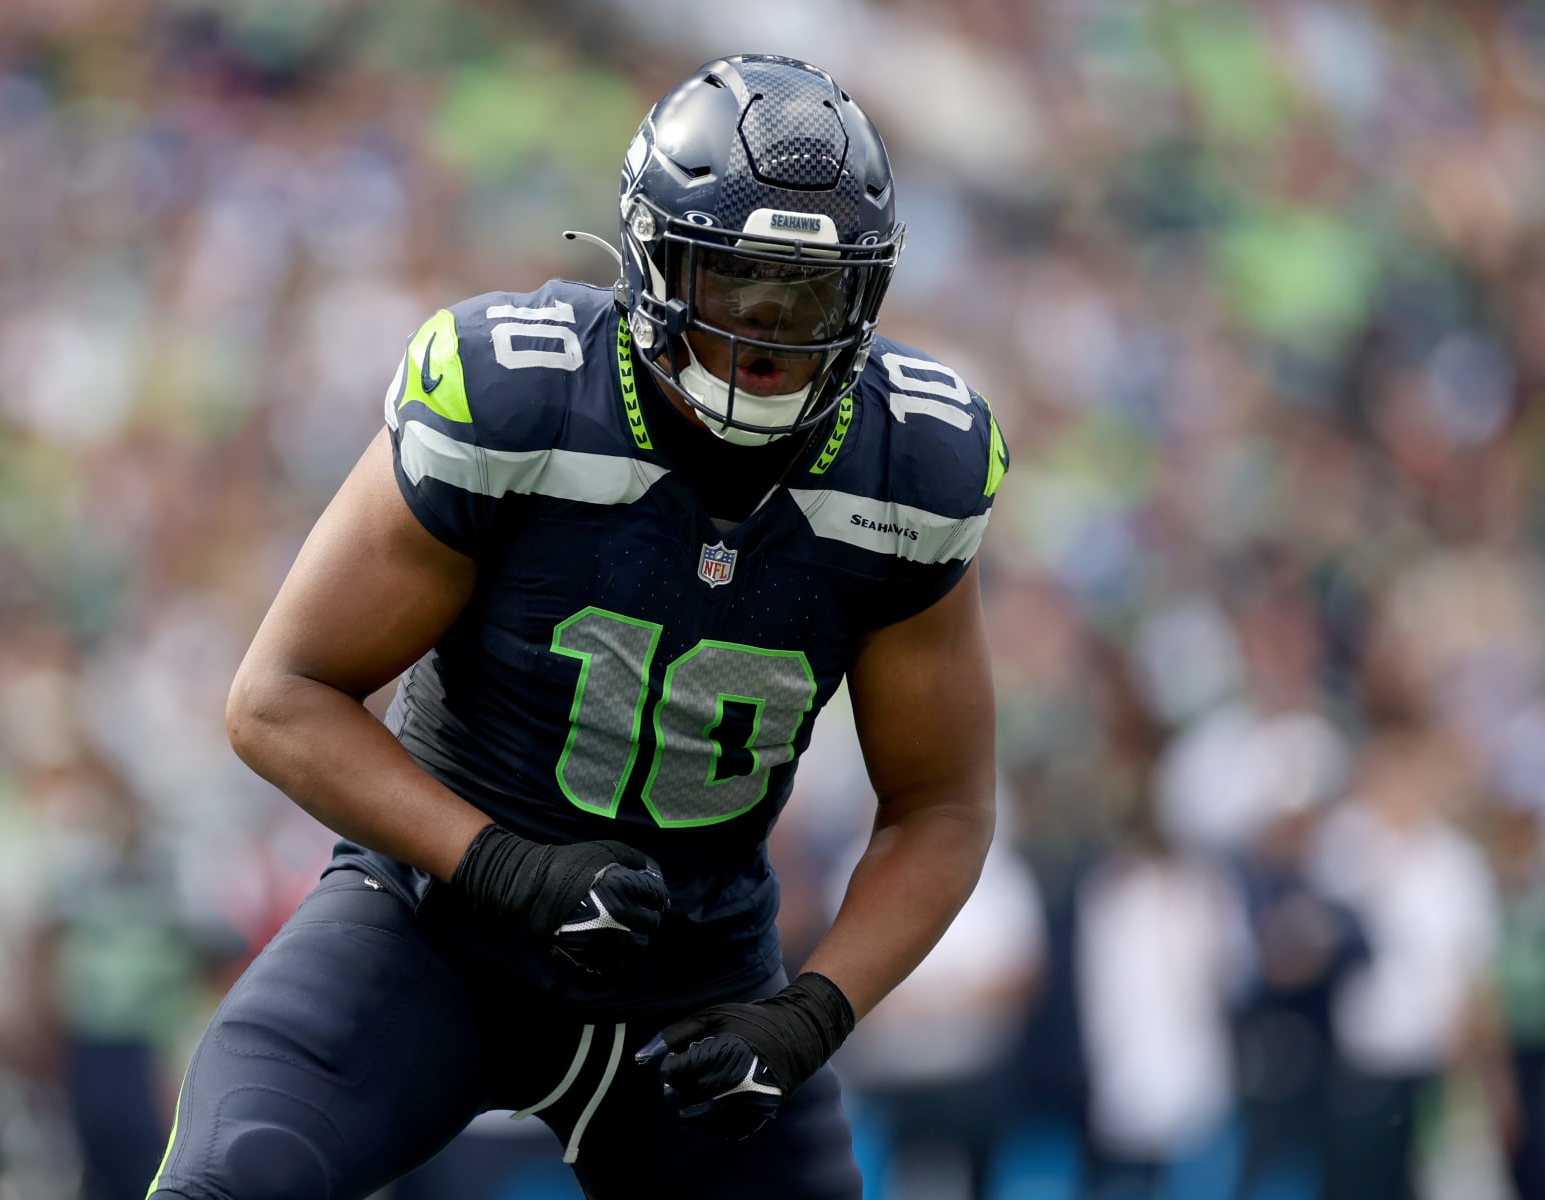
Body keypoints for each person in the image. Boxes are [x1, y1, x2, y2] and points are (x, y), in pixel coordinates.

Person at [147, 52, 1007, 1200]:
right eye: (732, 285)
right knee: (238, 1180)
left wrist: (810, 1012)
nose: (763, 339)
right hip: (437, 928)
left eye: (801, 299)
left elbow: (941, 806)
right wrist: (501, 866)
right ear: (655, 261)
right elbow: (277, 698)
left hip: (700, 983)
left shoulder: (913, 470)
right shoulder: (521, 397)